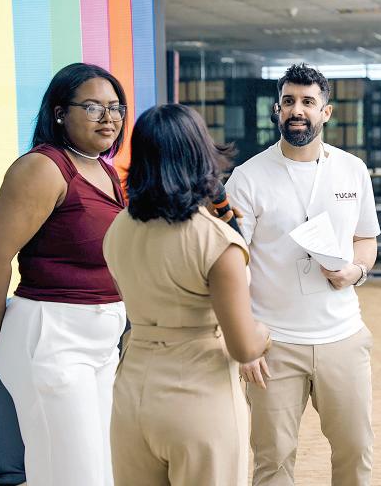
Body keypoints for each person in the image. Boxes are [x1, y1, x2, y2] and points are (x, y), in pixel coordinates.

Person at [0, 63, 129, 486]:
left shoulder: (102, 168)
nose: (109, 118)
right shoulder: (43, 168)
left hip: (100, 345)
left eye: (116, 107)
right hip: (52, 340)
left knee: (104, 470)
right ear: (60, 113)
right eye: (93, 107)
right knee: (73, 475)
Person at [225, 63, 380, 486]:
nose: (298, 110)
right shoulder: (247, 178)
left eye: (308, 102)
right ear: (277, 110)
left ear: (325, 112)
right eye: (289, 101)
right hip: (274, 344)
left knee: (355, 452)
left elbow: (366, 239)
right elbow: (231, 266)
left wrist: (355, 271)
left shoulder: (352, 169)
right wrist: (246, 343)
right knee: (272, 461)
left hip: (343, 338)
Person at [103, 103, 271, 486]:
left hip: (132, 395)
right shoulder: (217, 241)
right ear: (200, 155)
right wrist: (265, 332)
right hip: (199, 399)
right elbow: (245, 347)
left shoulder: (118, 228)